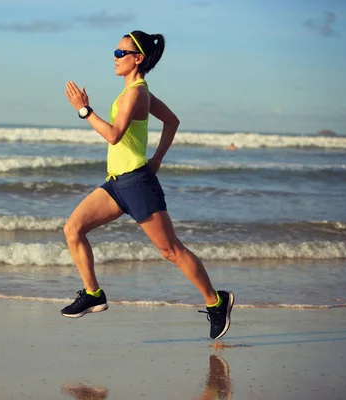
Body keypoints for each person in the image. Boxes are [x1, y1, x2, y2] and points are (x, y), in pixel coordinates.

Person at [62, 30, 234, 340]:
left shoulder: (137, 93)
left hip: (137, 184)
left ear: (137, 58)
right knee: (73, 229)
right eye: (115, 52)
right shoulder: (136, 92)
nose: (114, 58)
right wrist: (156, 159)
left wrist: (84, 110)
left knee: (171, 251)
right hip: (117, 184)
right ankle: (93, 293)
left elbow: (114, 134)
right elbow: (172, 121)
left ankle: (216, 301)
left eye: (120, 53)